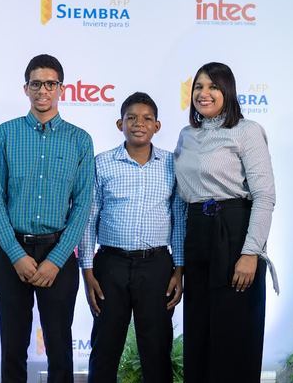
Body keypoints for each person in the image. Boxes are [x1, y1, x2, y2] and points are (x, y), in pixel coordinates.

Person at [0, 54, 94, 383]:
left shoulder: (79, 139)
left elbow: (83, 205)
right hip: (11, 253)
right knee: (13, 346)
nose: (43, 91)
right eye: (36, 84)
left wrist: (57, 260)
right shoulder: (5, 134)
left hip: (57, 254)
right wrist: (16, 255)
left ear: (62, 88)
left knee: (60, 347)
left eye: (50, 84)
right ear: (26, 88)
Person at [174, 62, 278, 383]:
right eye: (198, 87)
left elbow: (264, 197)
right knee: (199, 337)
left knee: (234, 341)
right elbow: (180, 201)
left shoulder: (246, 131)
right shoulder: (186, 135)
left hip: (234, 238)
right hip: (197, 240)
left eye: (213, 87)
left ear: (228, 91)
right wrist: (178, 263)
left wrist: (250, 253)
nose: (204, 94)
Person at [79, 92, 186, 383]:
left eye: (147, 118)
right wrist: (87, 271)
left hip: (157, 266)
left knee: (156, 349)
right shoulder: (102, 163)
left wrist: (179, 269)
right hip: (110, 264)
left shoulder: (172, 164)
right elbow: (89, 219)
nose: (139, 123)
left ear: (157, 126)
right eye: (131, 118)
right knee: (105, 346)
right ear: (119, 123)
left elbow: (179, 220)